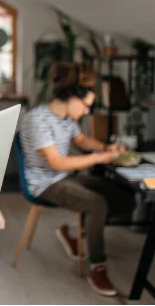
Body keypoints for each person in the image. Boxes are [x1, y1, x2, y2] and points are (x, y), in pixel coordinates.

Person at [20, 61, 135, 297]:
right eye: (86, 106)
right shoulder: (38, 119)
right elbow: (57, 163)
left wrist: (108, 148)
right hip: (45, 184)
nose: (86, 111)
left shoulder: (67, 120)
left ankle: (71, 232)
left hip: (65, 178)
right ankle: (97, 266)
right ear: (71, 97)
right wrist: (98, 158)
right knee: (97, 204)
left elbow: (82, 141)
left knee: (126, 200)